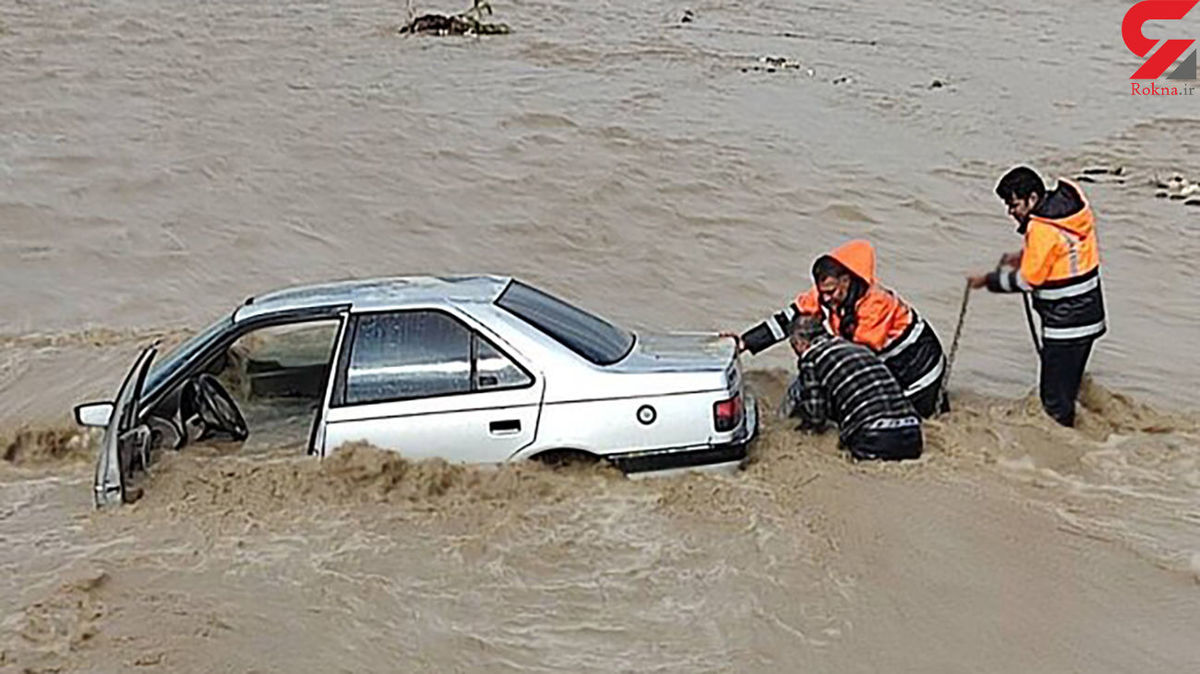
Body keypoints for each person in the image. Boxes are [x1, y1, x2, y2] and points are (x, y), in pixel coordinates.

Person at [727, 239, 947, 418]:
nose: (825, 298)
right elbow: (787, 319)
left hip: (918, 372)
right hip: (884, 361)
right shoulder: (827, 292)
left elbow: (858, 357)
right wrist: (744, 342)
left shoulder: (877, 304)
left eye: (831, 292)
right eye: (822, 292)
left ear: (846, 281)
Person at [967, 166, 1106, 428]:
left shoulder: (1041, 229)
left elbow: (1026, 280)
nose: (1010, 211)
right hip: (1089, 316)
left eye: (1013, 204)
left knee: (1052, 402)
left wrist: (988, 280)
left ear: (1032, 199)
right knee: (1068, 388)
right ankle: (1082, 435)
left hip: (1066, 325)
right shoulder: (1067, 215)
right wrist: (1024, 257)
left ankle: (1063, 451)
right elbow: (1063, 253)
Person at [781, 314, 923, 461]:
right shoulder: (858, 347)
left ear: (800, 343)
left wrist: (795, 430)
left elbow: (815, 414)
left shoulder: (811, 358)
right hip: (912, 435)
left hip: (875, 439)